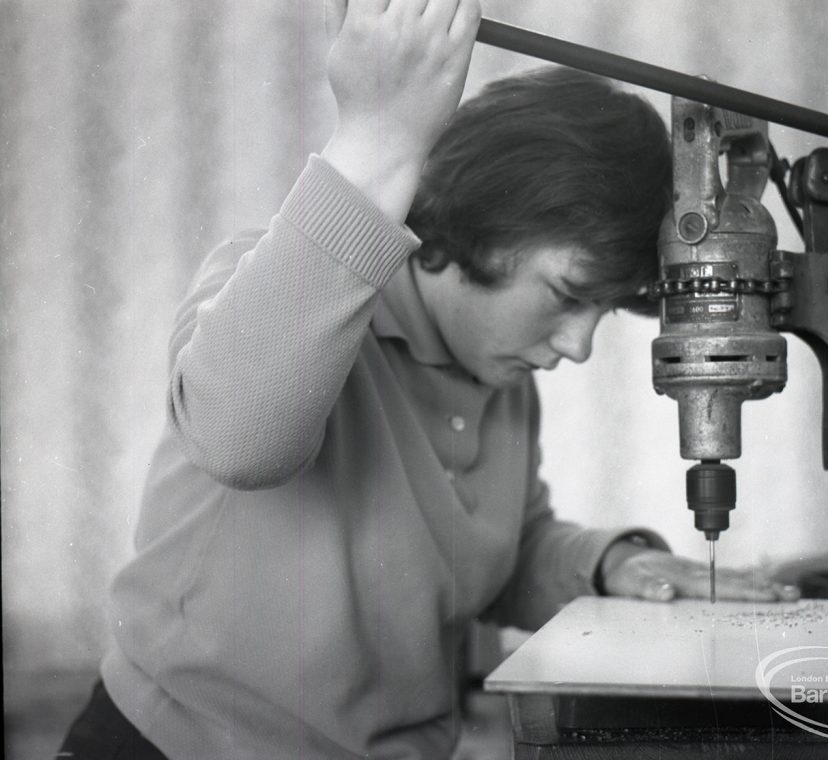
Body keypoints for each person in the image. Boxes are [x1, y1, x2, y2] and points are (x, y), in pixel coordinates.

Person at [58, 1, 790, 757]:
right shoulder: (282, 289)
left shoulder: (503, 383)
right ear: (486, 223)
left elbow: (508, 550)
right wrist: (379, 134)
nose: (578, 346)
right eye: (570, 296)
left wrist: (614, 564)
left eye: (602, 312)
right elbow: (236, 439)